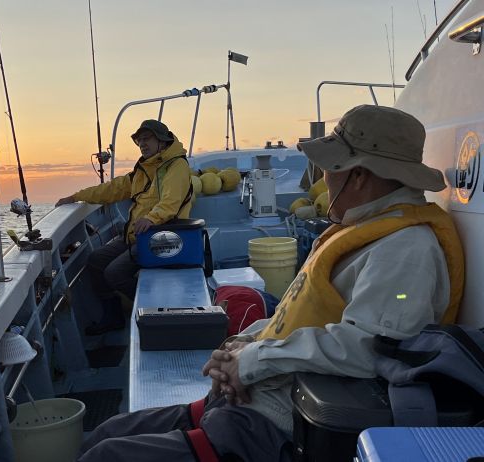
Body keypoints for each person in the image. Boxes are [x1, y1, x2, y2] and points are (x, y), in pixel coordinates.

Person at [76, 105, 465, 461]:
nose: (323, 178)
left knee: (105, 456)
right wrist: (238, 346)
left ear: (359, 176)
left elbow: (366, 348)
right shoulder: (363, 228)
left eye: (330, 167)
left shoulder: (405, 250)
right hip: (252, 399)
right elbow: (293, 315)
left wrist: (251, 362)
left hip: (277, 424)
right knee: (106, 434)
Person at [56, 119, 192, 335]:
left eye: (147, 139)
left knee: (114, 273)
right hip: (138, 234)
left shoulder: (177, 166)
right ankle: (113, 317)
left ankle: (155, 308)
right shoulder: (143, 169)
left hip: (163, 237)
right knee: (96, 261)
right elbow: (113, 189)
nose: (142, 144)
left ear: (162, 141)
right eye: (139, 141)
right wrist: (76, 196)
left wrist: (151, 218)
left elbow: (171, 203)